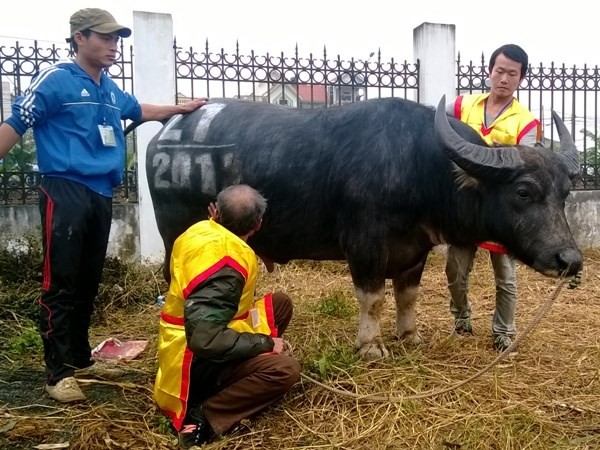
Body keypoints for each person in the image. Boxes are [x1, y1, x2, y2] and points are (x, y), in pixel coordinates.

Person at [0, 8, 208, 403]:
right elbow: (18, 121)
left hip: (100, 193)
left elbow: (139, 110)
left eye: (117, 40)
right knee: (60, 281)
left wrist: (177, 110)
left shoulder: (109, 90)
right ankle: (57, 372)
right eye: (105, 38)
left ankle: (78, 356)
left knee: (87, 279)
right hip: (64, 189)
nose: (114, 46)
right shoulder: (57, 80)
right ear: (79, 37)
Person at [154, 184, 301, 449]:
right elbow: (204, 339)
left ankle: (248, 367)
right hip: (195, 355)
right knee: (285, 371)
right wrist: (266, 344)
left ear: (216, 214)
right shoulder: (226, 270)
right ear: (257, 225)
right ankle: (206, 413)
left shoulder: (199, 230)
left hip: (207, 329)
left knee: (279, 304)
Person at [445, 44, 542, 353]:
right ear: (489, 72)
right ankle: (461, 319)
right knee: (455, 270)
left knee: (505, 276)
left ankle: (503, 333)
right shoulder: (462, 106)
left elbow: (525, 163)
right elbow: (437, 130)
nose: (504, 78)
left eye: (511, 73)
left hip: (503, 212)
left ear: (521, 79)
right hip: (465, 206)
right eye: (499, 71)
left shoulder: (526, 122)